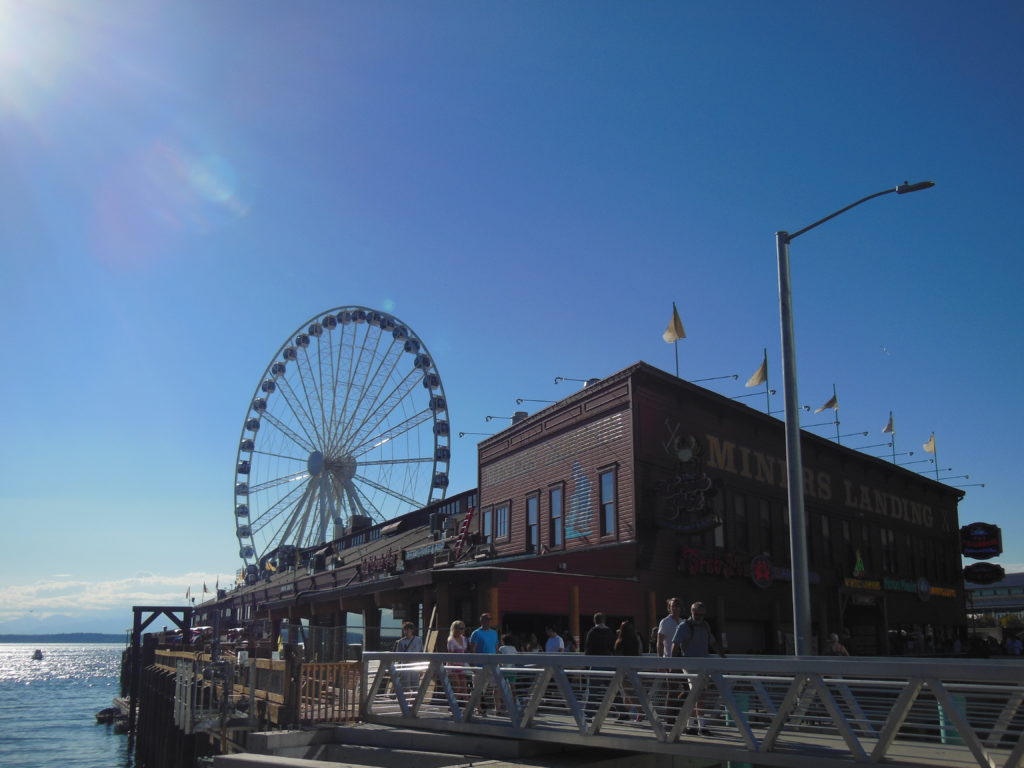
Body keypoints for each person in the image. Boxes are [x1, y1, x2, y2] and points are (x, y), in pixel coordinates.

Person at [671, 601, 726, 737]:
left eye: (701, 614)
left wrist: (724, 658)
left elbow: (713, 643)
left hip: (703, 665)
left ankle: (690, 726)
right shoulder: (684, 626)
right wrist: (672, 664)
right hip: (690, 665)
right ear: (691, 612)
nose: (699, 617)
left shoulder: (705, 626)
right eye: (696, 614)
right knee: (700, 695)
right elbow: (675, 644)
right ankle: (702, 726)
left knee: (697, 696)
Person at [469, 613, 499, 715]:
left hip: (492, 665)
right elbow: (472, 650)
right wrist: (473, 665)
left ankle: (498, 709)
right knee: (478, 688)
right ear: (482, 621)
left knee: (497, 686)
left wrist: (498, 662)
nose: (489, 621)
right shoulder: (476, 633)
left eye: (490, 619)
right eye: (487, 619)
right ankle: (479, 709)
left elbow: (496, 648)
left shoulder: (494, 633)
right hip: (480, 666)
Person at [393, 621, 423, 698]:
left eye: (407, 629)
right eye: (404, 630)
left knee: (415, 687)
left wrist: (421, 667)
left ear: (412, 630)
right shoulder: (401, 642)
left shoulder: (418, 640)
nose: (406, 632)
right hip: (405, 666)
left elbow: (421, 654)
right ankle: (407, 705)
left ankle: (412, 704)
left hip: (416, 666)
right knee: (405, 687)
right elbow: (398, 656)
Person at [446, 620, 469, 700]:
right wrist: (451, 669)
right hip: (453, 667)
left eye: (463, 628)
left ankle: (466, 708)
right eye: (460, 628)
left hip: (462, 666)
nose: (462, 630)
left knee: (464, 688)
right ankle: (453, 707)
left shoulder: (464, 639)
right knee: (457, 688)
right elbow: (450, 655)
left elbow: (465, 652)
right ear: (454, 629)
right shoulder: (451, 640)